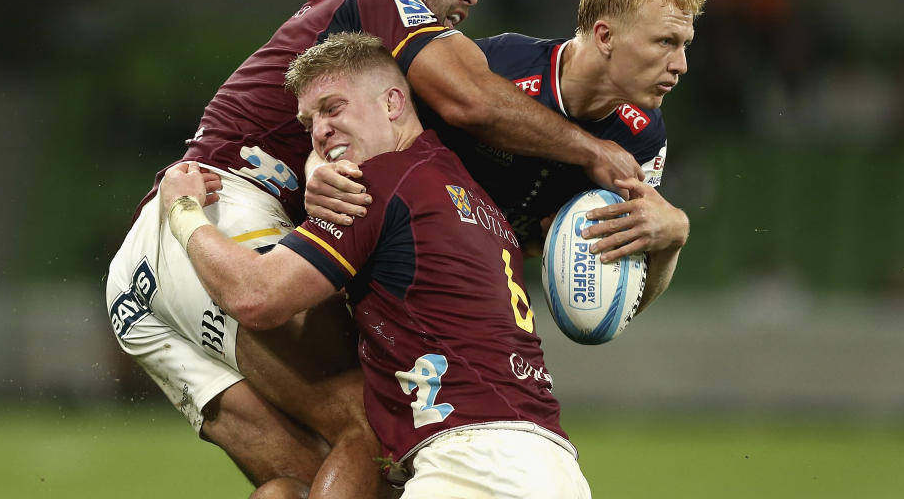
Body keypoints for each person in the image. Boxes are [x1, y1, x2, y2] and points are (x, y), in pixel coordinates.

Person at [106, 0, 641, 498]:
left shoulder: (347, 62)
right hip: (213, 216)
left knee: (305, 483)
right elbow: (474, 100)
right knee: (373, 425)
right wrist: (592, 149)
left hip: (143, 278)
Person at [159, 32, 593, 498]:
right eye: (309, 122)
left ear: (392, 103)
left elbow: (257, 296)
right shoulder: (467, 194)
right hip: (547, 465)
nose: (319, 130)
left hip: (476, 464)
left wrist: (182, 211)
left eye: (333, 107)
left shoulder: (377, 185)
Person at [307, 0, 710, 314]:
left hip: (471, 294)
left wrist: (673, 238)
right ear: (605, 36)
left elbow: (614, 309)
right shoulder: (498, 65)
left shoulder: (643, 137)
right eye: (665, 42)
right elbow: (360, 120)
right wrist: (316, 170)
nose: (681, 64)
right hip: (376, 266)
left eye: (685, 45)